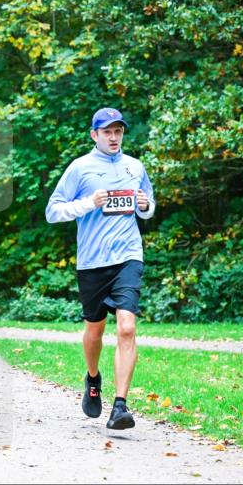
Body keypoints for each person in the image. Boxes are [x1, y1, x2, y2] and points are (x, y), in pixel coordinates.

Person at [45, 108, 156, 430]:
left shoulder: (135, 166)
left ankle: (120, 406)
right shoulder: (80, 168)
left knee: (127, 327)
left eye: (118, 131)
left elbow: (148, 205)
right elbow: (53, 211)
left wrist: (146, 206)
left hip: (128, 256)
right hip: (93, 262)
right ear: (94, 135)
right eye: (107, 132)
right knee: (95, 330)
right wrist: (88, 203)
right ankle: (93, 378)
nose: (113, 137)